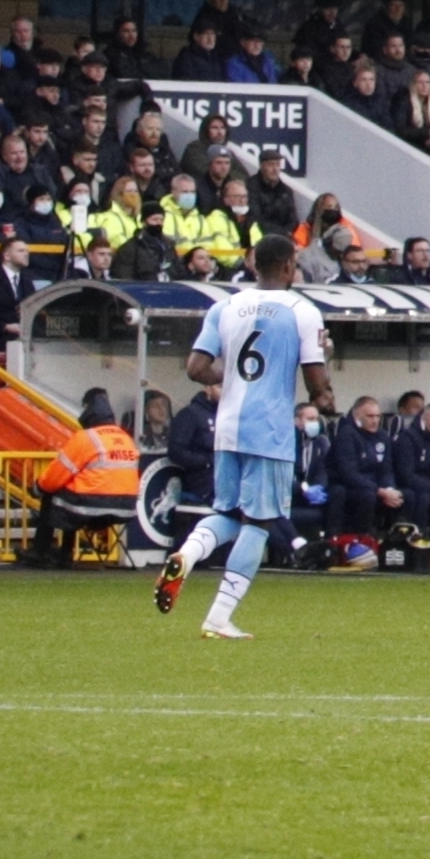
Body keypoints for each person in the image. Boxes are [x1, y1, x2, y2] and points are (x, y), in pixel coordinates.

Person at [154, 233, 330, 639]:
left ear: (254, 265)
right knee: (259, 522)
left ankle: (186, 553)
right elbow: (317, 384)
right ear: (288, 266)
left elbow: (196, 368)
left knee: (229, 512)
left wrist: (230, 376)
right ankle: (219, 616)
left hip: (228, 426)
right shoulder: (303, 311)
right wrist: (326, 396)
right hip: (268, 430)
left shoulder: (224, 306)